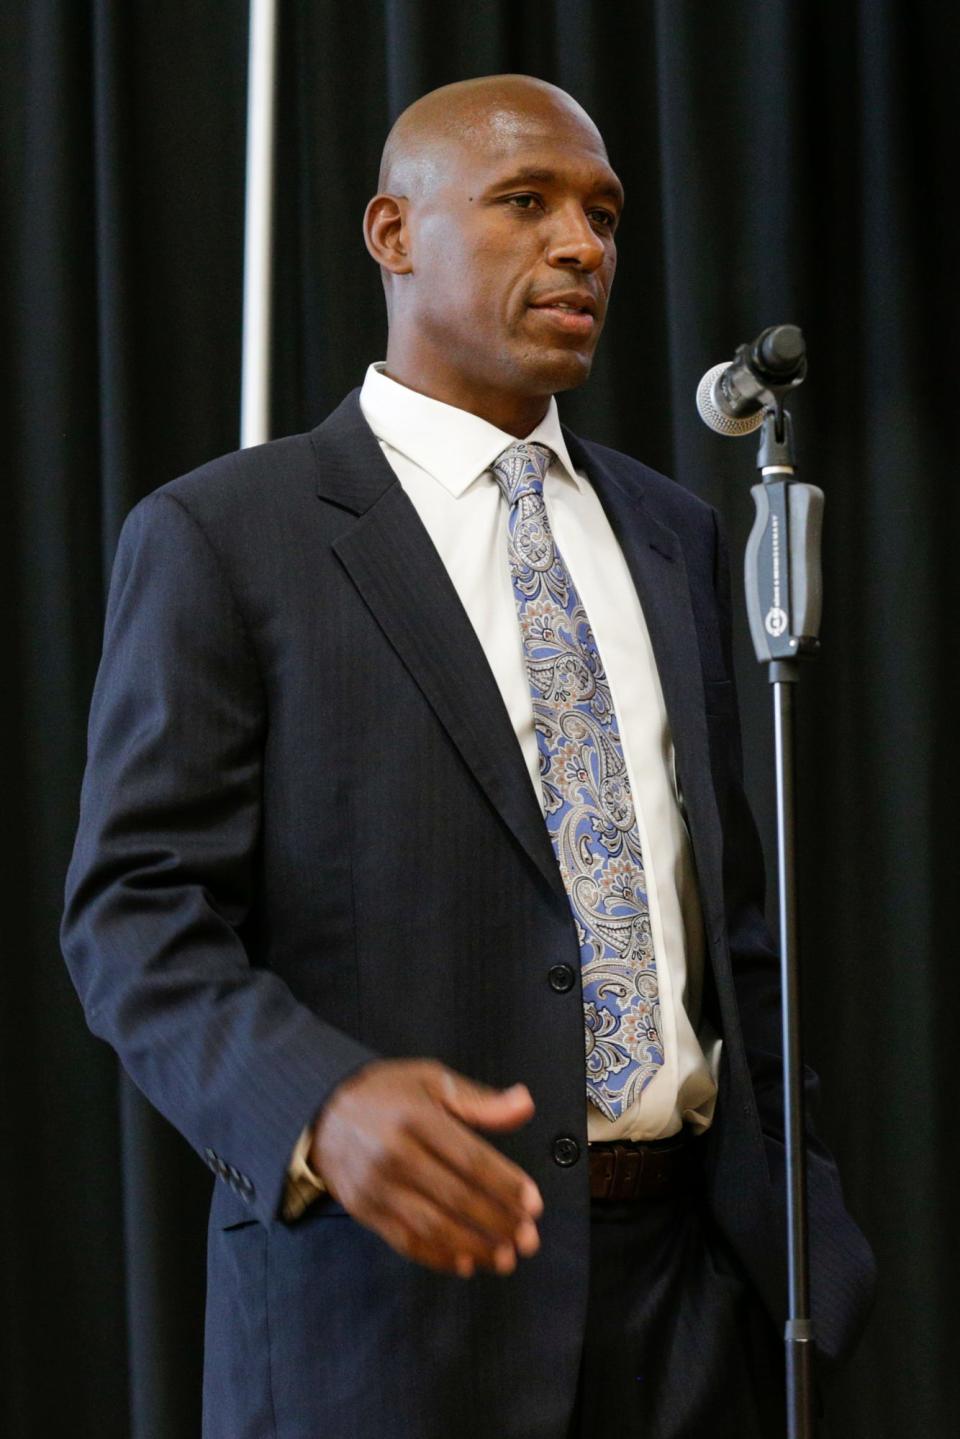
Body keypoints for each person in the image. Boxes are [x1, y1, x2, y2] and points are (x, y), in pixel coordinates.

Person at [61, 74, 875, 1439]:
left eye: (604, 215)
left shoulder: (673, 532)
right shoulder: (228, 535)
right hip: (388, 1316)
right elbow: (131, 914)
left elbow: (722, 922)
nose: (582, 246)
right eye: (526, 204)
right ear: (394, 232)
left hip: (687, 1304)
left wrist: (796, 1218)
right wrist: (314, 1104)